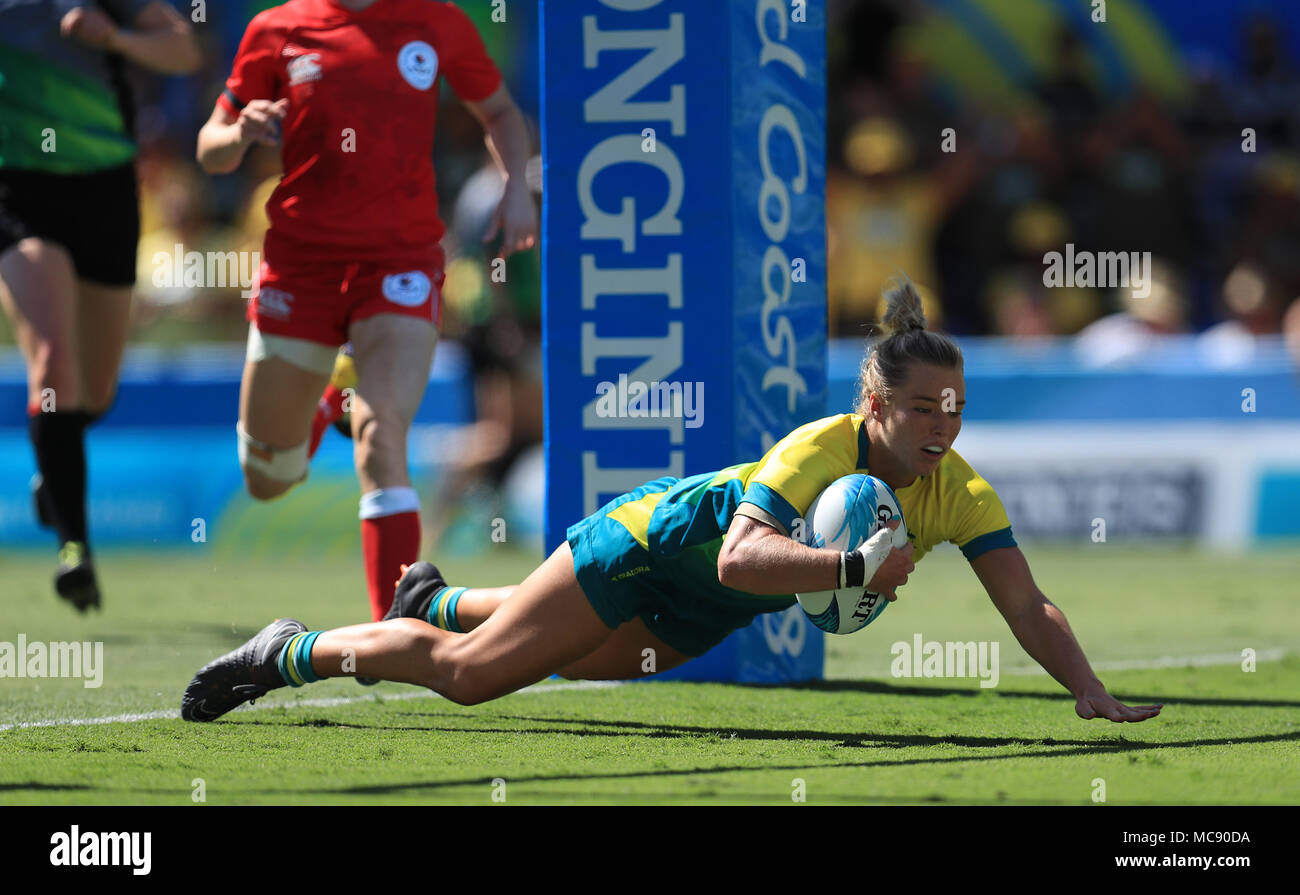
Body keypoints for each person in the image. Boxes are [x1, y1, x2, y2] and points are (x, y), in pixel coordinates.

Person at [182, 281, 1162, 725]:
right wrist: (853, 567)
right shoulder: (819, 447)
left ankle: (435, 598)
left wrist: (1084, 686)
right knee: (476, 679)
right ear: (873, 405)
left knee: (553, 652)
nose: (940, 424)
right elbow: (743, 555)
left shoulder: (960, 488)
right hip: (644, 548)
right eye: (918, 407)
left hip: (701, 618)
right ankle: (290, 651)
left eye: (952, 405)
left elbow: (1025, 602)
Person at [195, 0, 537, 623]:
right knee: (268, 477)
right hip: (299, 268)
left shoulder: (436, 22)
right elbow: (209, 148)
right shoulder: (275, 30)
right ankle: (332, 400)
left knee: (382, 444)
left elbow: (501, 111)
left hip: (399, 263)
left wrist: (515, 187)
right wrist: (241, 131)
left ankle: (392, 628)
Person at [0, 0, 200, 611]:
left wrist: (113, 36)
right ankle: (74, 546)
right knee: (54, 361)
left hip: (105, 189)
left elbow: (184, 51)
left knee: (96, 391)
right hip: (16, 188)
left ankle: (54, 470)